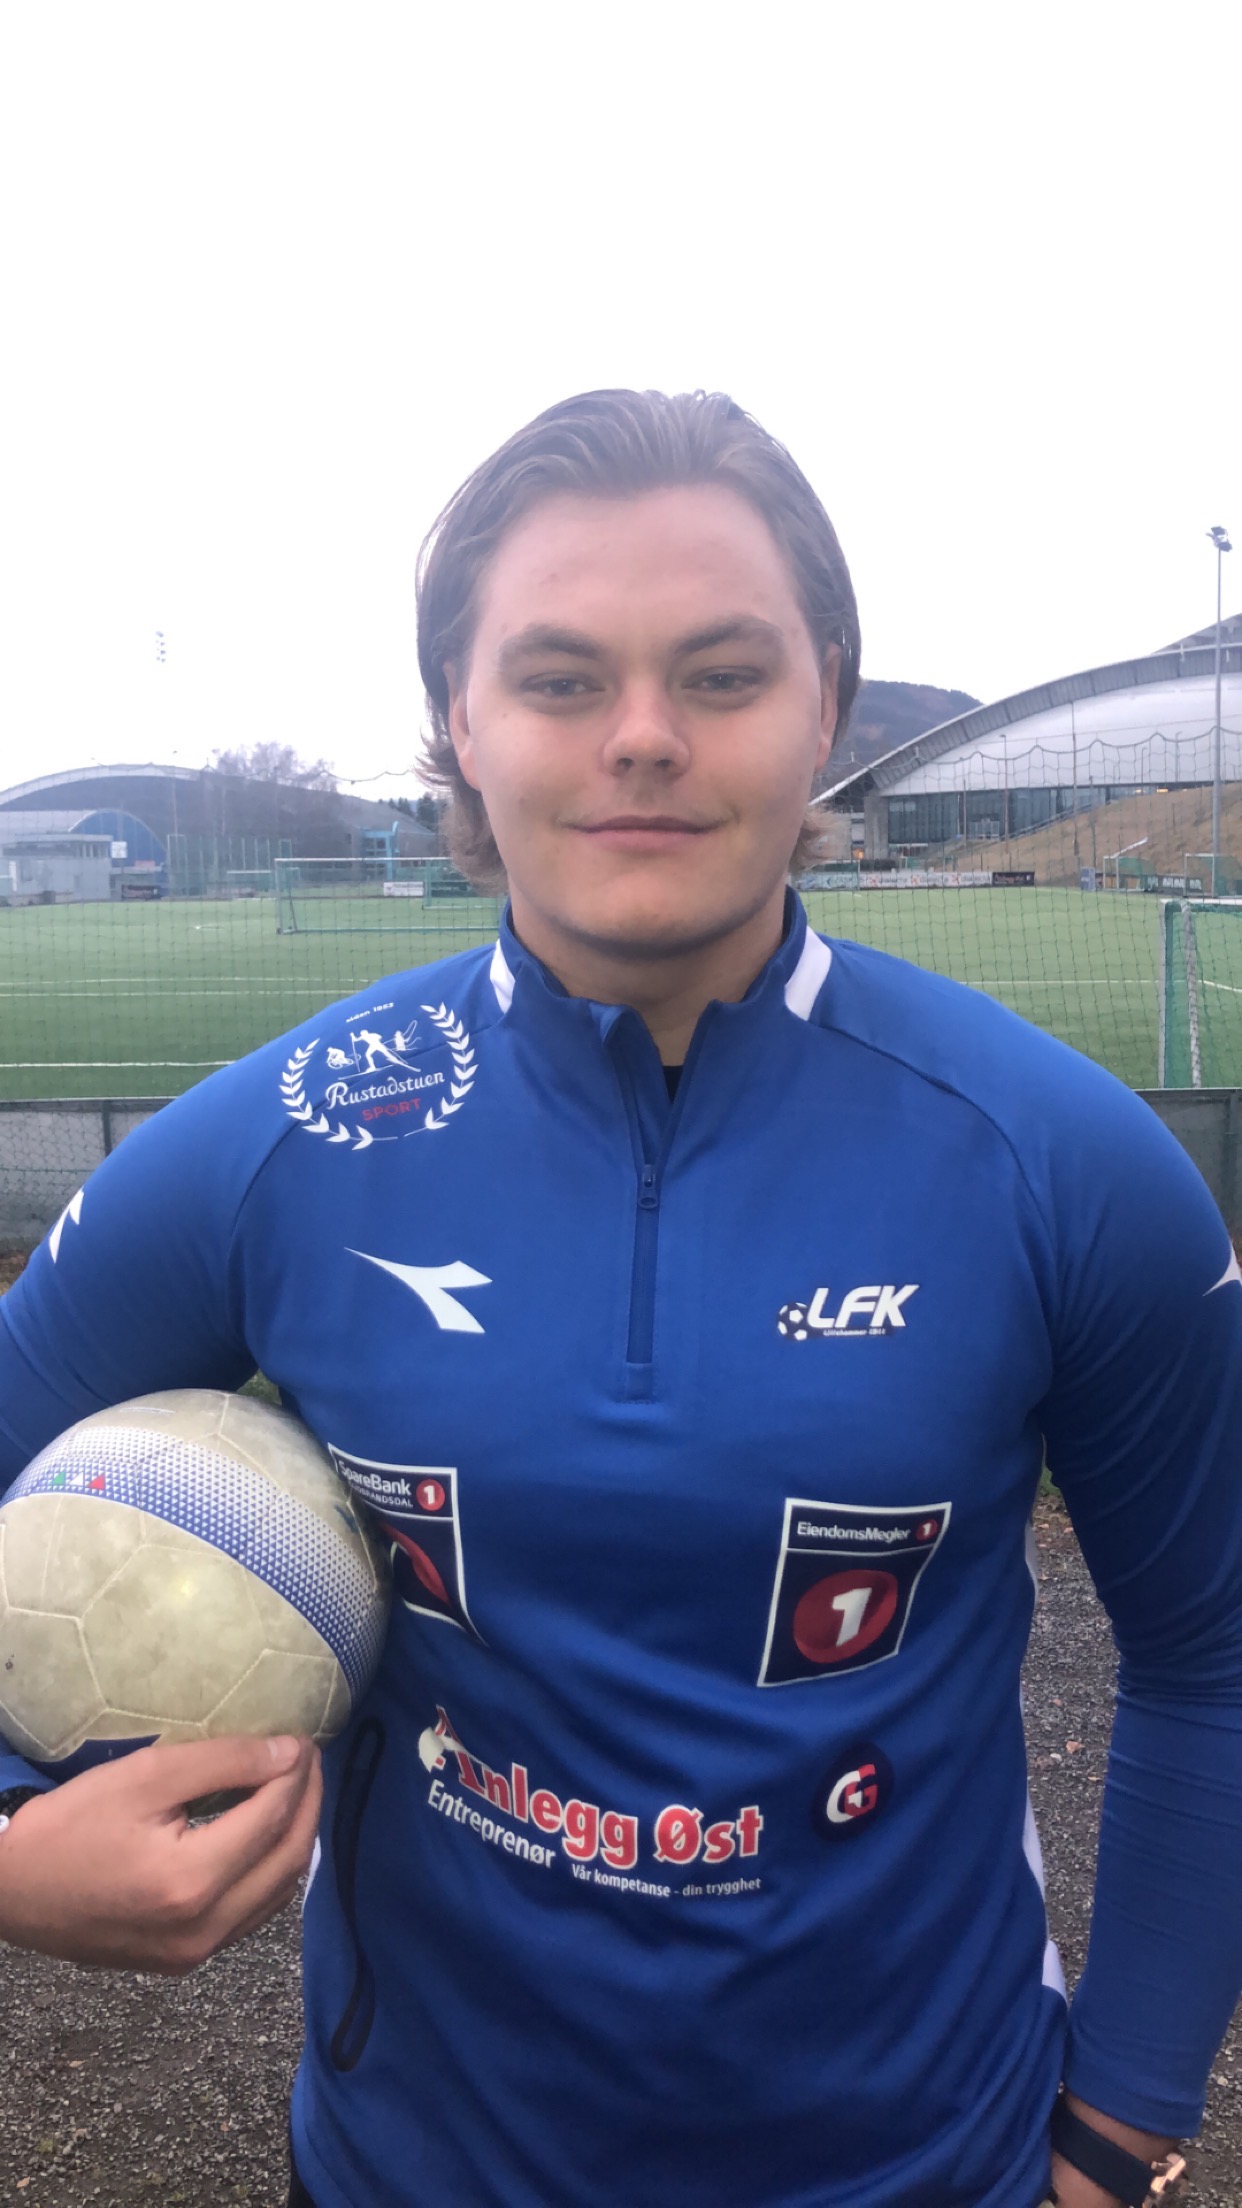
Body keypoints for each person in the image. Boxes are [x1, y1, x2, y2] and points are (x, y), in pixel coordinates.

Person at [0, 388, 1238, 2208]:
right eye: (561, 677)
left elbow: (1212, 1655)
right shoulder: (283, 1139)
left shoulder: (1062, 1162)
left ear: (825, 702)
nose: (642, 736)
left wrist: (1118, 2127)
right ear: (459, 717)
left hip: (929, 2166)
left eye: (721, 675)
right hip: (411, 2171)